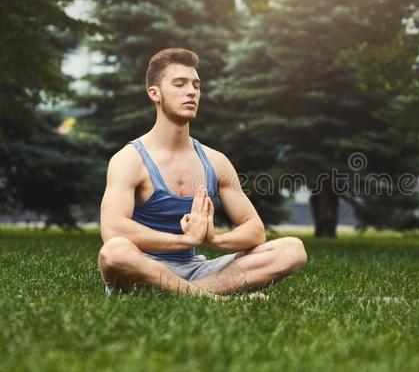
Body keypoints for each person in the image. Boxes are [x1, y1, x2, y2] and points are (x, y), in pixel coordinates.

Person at [97, 48, 307, 299]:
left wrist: (212, 239)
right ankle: (214, 298)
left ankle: (184, 293)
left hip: (196, 270)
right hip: (140, 267)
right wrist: (185, 241)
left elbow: (255, 230)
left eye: (196, 85)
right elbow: (112, 230)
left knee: (292, 249)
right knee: (114, 252)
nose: (191, 91)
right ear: (155, 93)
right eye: (180, 84)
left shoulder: (215, 161)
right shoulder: (129, 159)